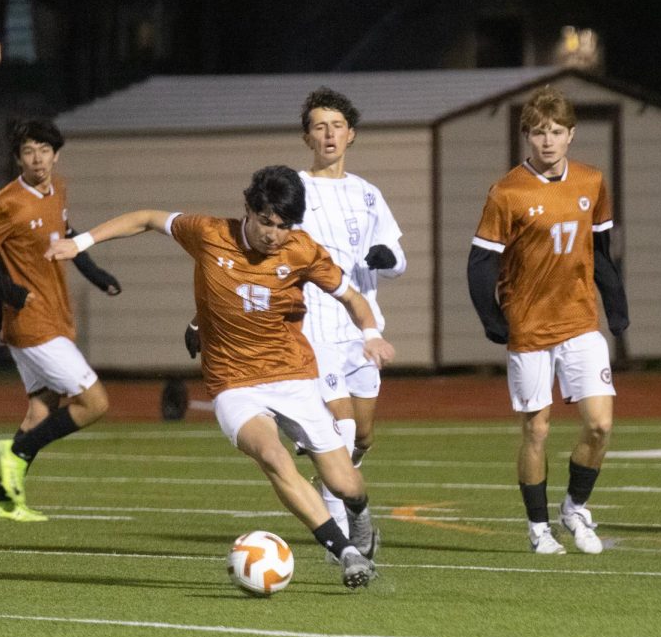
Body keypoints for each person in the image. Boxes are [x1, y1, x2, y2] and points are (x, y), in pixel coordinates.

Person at [46, 165, 394, 588]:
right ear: (247, 208)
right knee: (272, 456)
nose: (274, 235)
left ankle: (359, 513)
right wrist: (80, 242)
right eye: (266, 222)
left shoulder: (302, 250)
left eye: (284, 226)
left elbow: (353, 298)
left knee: (345, 484)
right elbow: (146, 218)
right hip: (233, 383)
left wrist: (371, 335)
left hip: (293, 376)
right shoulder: (208, 234)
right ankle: (346, 552)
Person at [185, 87, 406, 542]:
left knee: (363, 436)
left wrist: (388, 258)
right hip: (312, 328)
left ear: (351, 134)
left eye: (337, 126)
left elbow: (398, 259)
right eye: (320, 127)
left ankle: (340, 480)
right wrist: (200, 317)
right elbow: (251, 265)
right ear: (307, 137)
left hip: (360, 329)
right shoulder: (293, 193)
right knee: (343, 429)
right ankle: (340, 536)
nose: (329, 135)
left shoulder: (368, 194)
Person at [467, 85, 629, 555]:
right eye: (539, 132)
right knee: (536, 430)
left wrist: (616, 305)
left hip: (580, 322)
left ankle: (574, 508)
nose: (548, 141)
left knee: (599, 426)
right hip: (530, 328)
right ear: (527, 137)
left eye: (557, 131)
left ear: (571, 134)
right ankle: (539, 528)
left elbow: (600, 252)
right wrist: (491, 317)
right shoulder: (507, 191)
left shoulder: (592, 181)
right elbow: (480, 263)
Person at [0, 119, 122, 522]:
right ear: (18, 158)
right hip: (32, 322)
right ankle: (16, 450)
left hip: (54, 315)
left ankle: (1, 501)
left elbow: (65, 234)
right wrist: (11, 293)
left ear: (56, 155)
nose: (37, 159)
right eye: (29, 151)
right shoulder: (6, 202)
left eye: (44, 150)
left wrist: (95, 273)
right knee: (95, 403)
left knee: (41, 410)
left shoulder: (58, 189)